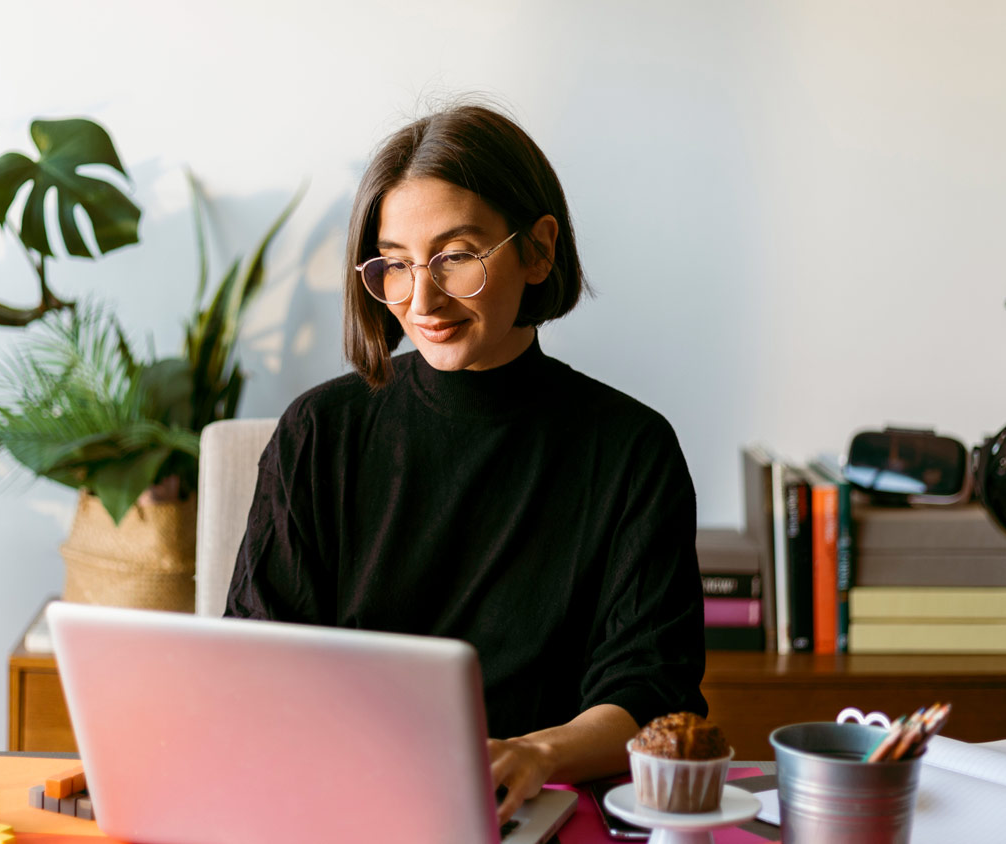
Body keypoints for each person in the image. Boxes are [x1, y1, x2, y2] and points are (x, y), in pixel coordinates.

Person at [225, 103, 705, 825]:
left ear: (538, 251)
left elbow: (651, 689)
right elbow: (255, 661)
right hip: (337, 807)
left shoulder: (631, 449)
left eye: (456, 257)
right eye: (396, 264)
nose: (422, 299)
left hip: (538, 807)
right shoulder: (319, 431)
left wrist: (537, 754)